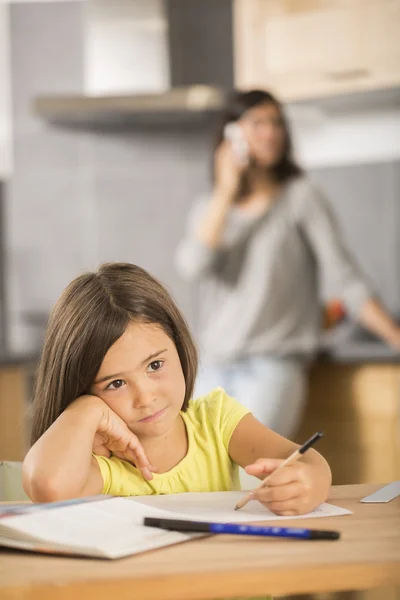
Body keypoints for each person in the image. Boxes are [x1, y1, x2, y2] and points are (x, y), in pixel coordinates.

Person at [23, 262, 331, 518]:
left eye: (155, 366)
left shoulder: (216, 421)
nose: (146, 397)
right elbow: (48, 486)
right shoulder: (97, 462)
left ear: (179, 346)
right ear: (82, 388)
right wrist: (84, 411)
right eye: (115, 383)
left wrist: (310, 483)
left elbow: (307, 461)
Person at [175, 89, 400, 439]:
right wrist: (225, 189)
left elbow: (345, 278)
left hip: (273, 366)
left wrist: (394, 335)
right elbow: (193, 266)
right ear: (231, 134)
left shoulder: (301, 197)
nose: (271, 132)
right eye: (258, 123)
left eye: (277, 122)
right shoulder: (211, 208)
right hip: (213, 365)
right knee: (201, 478)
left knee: (252, 478)